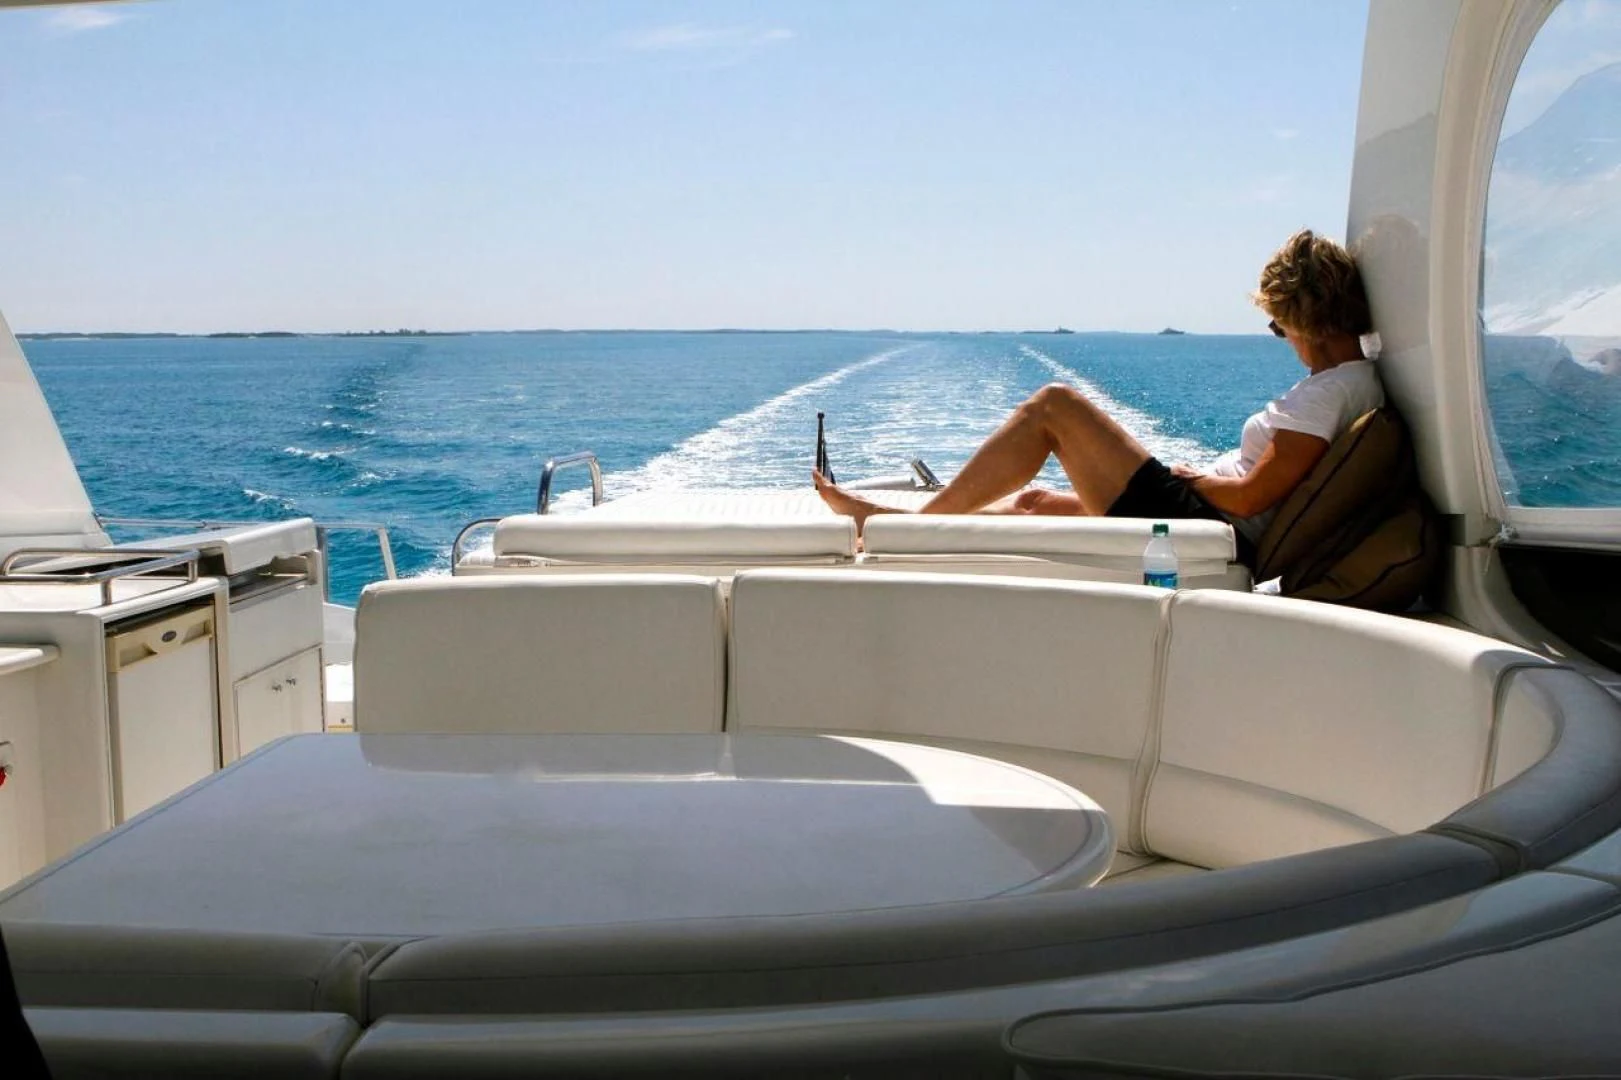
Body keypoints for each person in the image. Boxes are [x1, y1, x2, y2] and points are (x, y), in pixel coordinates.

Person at [813, 228, 1386, 568]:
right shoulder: (1348, 385)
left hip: (1205, 521)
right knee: (1033, 502)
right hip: (1201, 510)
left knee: (1054, 407)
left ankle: (910, 530)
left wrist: (1187, 481)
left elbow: (1248, 497)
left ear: (1304, 316)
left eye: (1279, 325)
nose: (1282, 339)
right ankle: (904, 524)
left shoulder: (1330, 391)